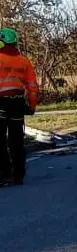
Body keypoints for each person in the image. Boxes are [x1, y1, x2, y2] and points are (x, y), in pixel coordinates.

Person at [0, 29, 38, 186]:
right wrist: (32, 106)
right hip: (17, 104)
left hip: (0, 103)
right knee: (16, 141)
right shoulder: (24, 61)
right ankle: (18, 175)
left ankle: (5, 173)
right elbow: (33, 86)